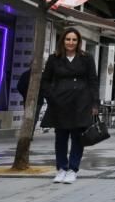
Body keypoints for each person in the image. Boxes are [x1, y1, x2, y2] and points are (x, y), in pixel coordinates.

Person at [40, 28, 99, 184]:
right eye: (68, 39)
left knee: (78, 137)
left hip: (81, 102)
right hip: (59, 102)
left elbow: (93, 81)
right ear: (63, 41)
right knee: (60, 137)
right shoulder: (54, 58)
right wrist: (50, 95)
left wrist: (94, 103)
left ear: (79, 42)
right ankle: (61, 168)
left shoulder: (87, 58)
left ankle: (73, 169)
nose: (71, 42)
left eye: (74, 40)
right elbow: (45, 79)